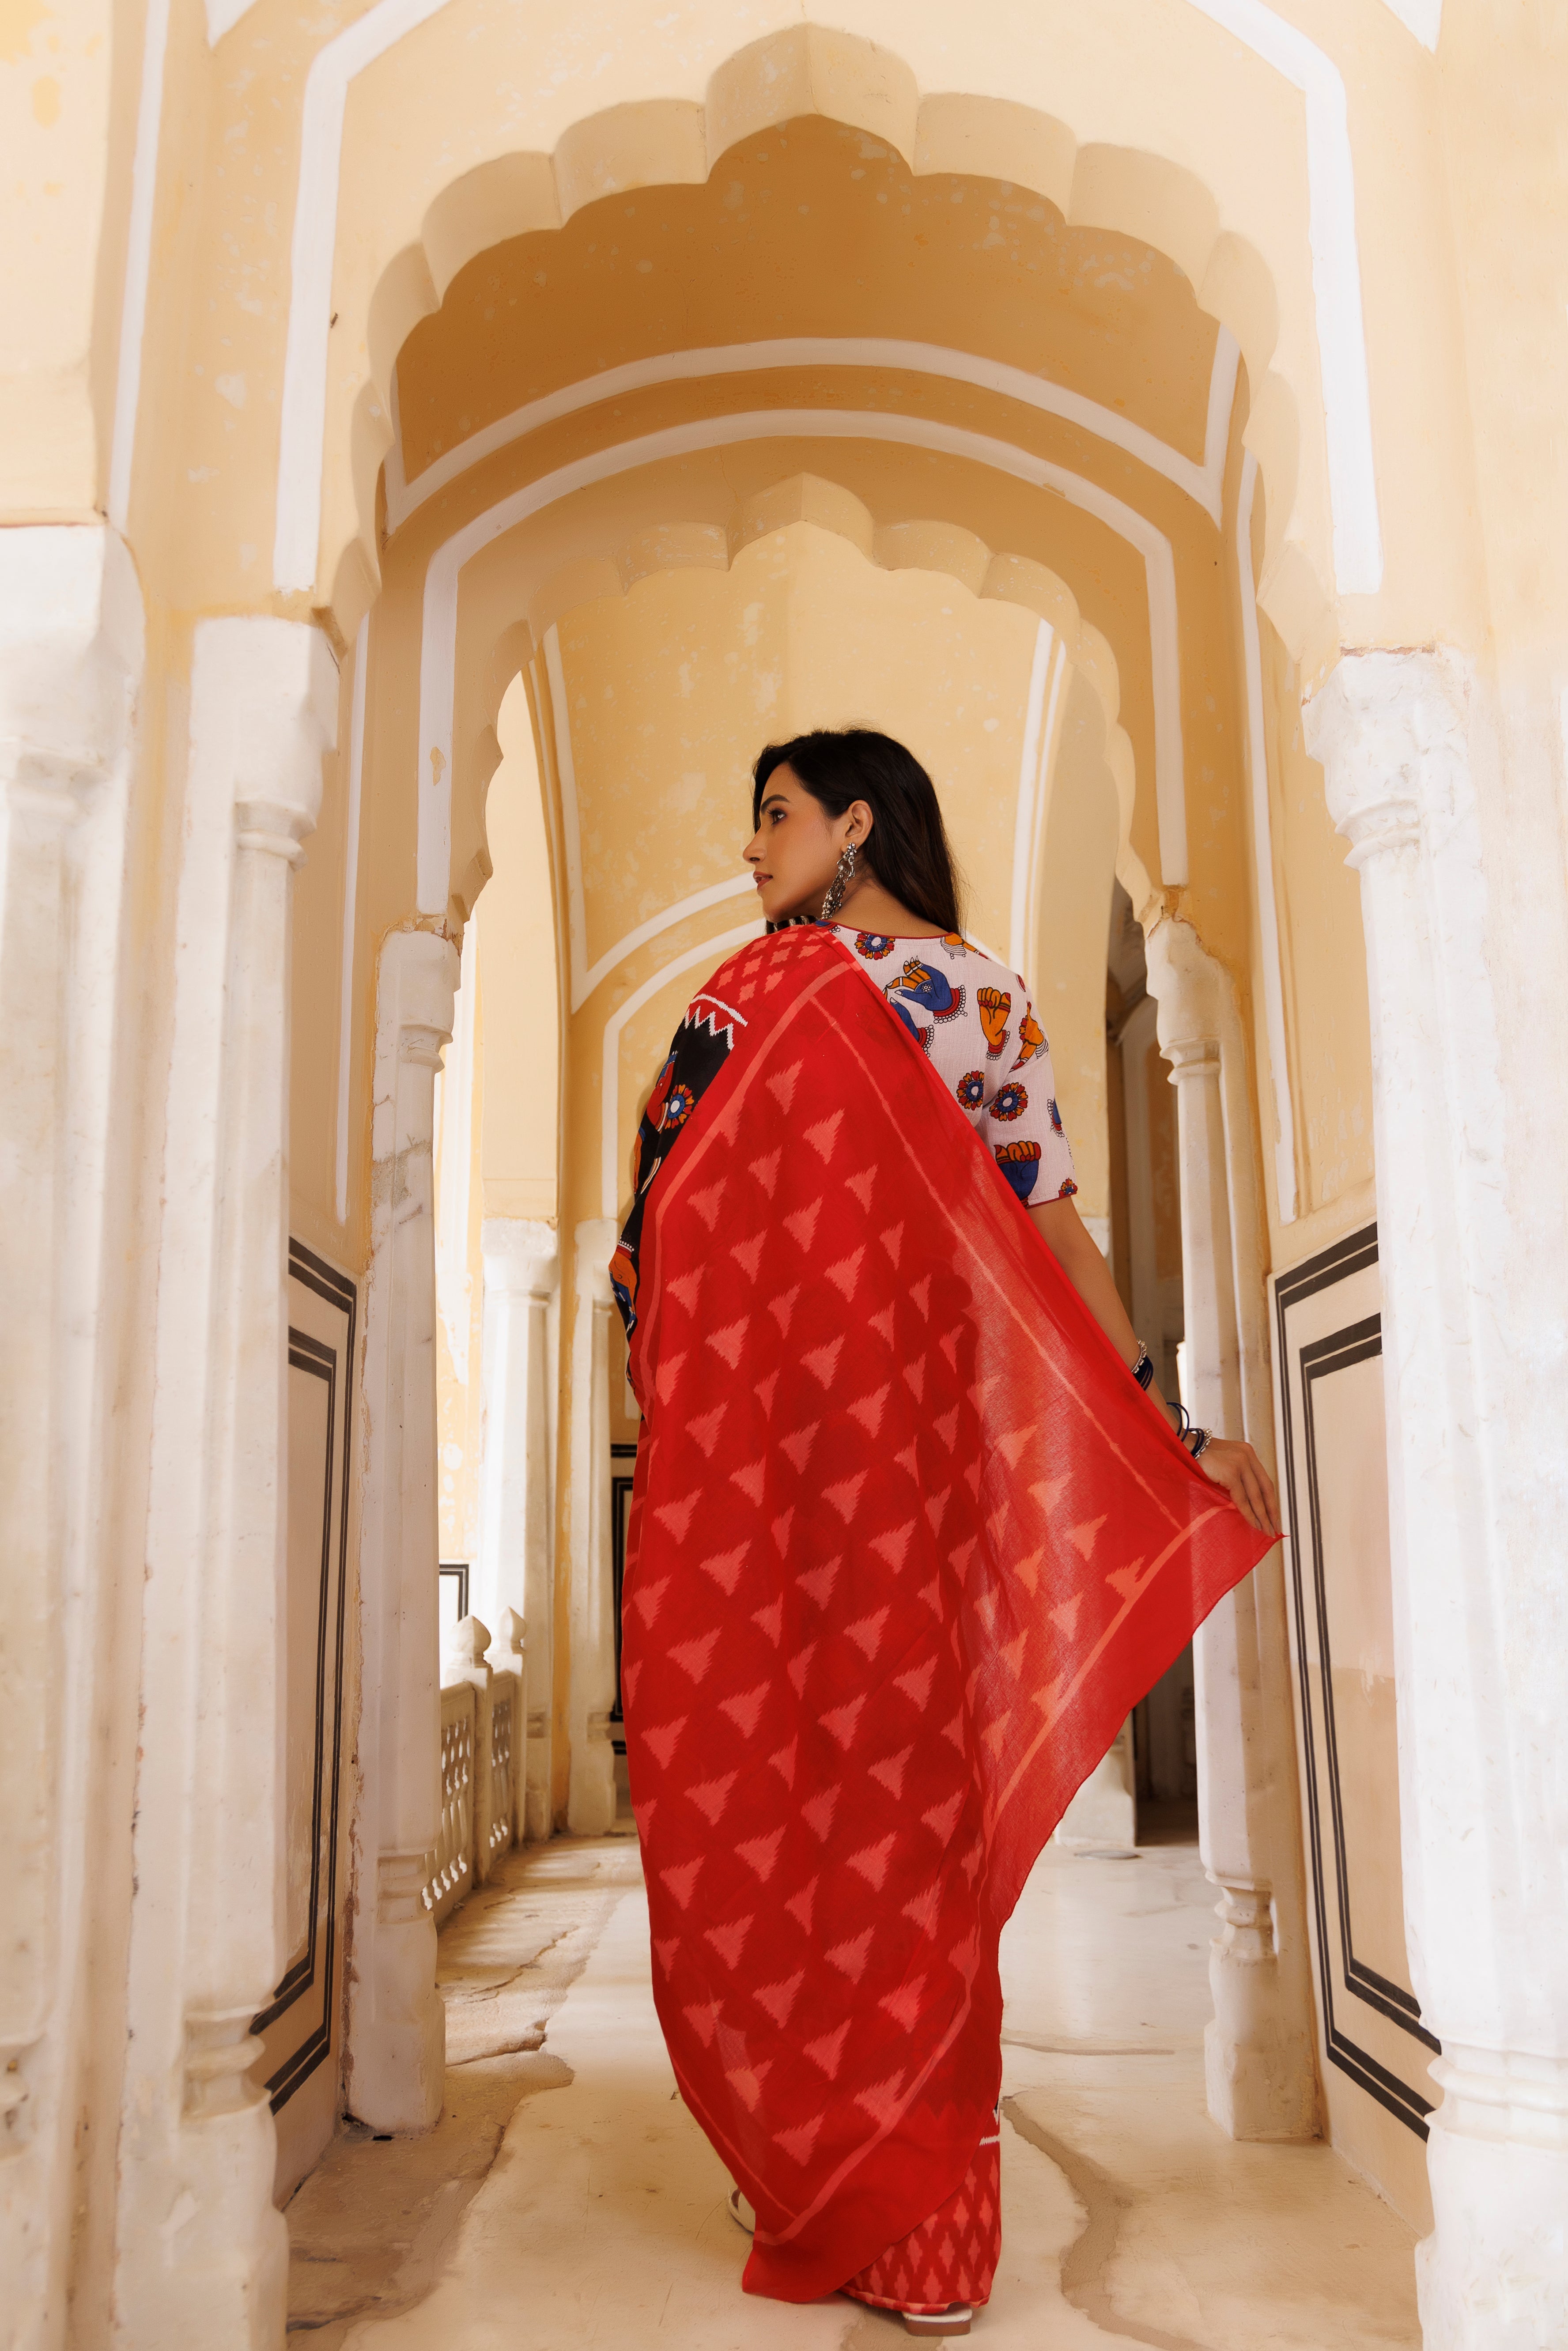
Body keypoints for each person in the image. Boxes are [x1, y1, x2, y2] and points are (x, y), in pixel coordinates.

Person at [610, 729, 1277, 2336]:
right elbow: (649, 1224)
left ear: (855, 823)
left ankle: (922, 2211)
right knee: (769, 1771)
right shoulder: (737, 1002)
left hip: (915, 1469)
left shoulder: (977, 1000)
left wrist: (1163, 1415)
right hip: (767, 1472)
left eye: (773, 814)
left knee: (905, 1806)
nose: (749, 842)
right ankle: (801, 2149)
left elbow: (1048, 1222)